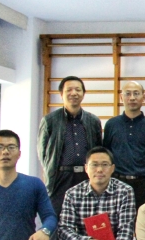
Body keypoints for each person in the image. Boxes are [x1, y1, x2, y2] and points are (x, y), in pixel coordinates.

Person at [37, 76, 103, 216]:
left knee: (88, 219)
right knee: (58, 219)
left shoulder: (93, 121)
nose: (74, 93)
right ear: (61, 94)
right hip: (60, 178)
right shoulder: (49, 120)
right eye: (69, 90)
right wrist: (51, 171)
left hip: (86, 177)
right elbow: (43, 153)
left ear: (83, 94)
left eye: (78, 90)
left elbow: (99, 150)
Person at [103, 81, 145, 211]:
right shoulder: (111, 125)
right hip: (117, 183)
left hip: (143, 185)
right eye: (128, 94)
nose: (132, 98)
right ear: (121, 97)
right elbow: (106, 155)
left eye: (136, 93)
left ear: (143, 97)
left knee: (143, 221)